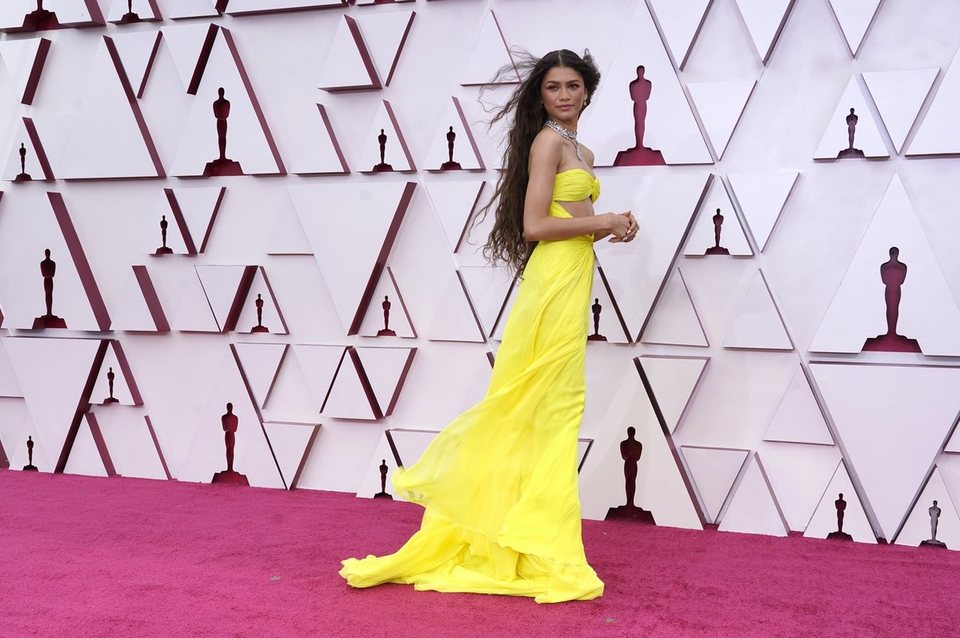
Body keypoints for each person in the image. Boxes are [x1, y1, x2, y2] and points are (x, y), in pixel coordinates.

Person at [339, 50, 637, 604]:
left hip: (573, 278)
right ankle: (524, 544)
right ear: (541, 96)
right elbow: (533, 225)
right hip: (550, 286)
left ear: (589, 92)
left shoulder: (583, 150)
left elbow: (570, 227)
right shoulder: (547, 143)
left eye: (574, 85)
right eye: (554, 87)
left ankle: (529, 542)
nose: (565, 95)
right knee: (541, 406)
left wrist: (611, 228)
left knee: (552, 410)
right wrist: (603, 218)